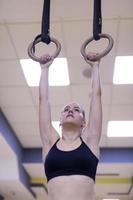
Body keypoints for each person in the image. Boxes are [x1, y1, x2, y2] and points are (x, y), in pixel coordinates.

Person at [39, 53, 102, 200]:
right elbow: (43, 100)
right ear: (60, 120)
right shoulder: (50, 141)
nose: (70, 110)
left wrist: (95, 66)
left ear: (84, 123)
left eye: (76, 109)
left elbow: (96, 96)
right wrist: (44, 69)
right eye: (66, 109)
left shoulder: (90, 140)